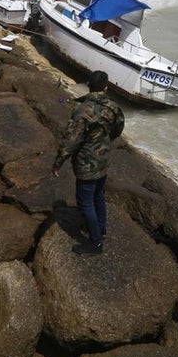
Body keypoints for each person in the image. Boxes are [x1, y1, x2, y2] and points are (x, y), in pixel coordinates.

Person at [51, 70, 125, 255]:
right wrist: (104, 141)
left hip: (86, 163)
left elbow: (71, 140)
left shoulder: (82, 109)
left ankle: (95, 242)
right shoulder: (113, 106)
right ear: (106, 87)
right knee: (98, 195)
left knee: (85, 202)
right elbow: (118, 128)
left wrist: (58, 163)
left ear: (88, 85)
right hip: (104, 159)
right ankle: (101, 228)